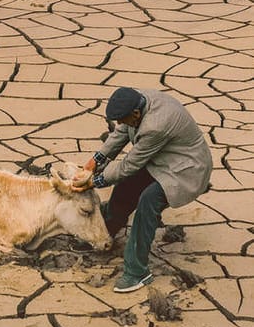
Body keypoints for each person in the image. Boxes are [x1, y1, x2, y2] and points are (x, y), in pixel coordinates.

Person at [72, 87, 212, 292]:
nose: (120, 124)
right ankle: (103, 233)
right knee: (124, 188)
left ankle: (137, 271)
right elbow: (121, 133)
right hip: (161, 159)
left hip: (185, 169)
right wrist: (94, 162)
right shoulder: (138, 101)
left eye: (123, 120)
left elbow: (129, 165)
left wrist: (94, 182)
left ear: (136, 115)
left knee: (148, 201)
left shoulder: (155, 125)